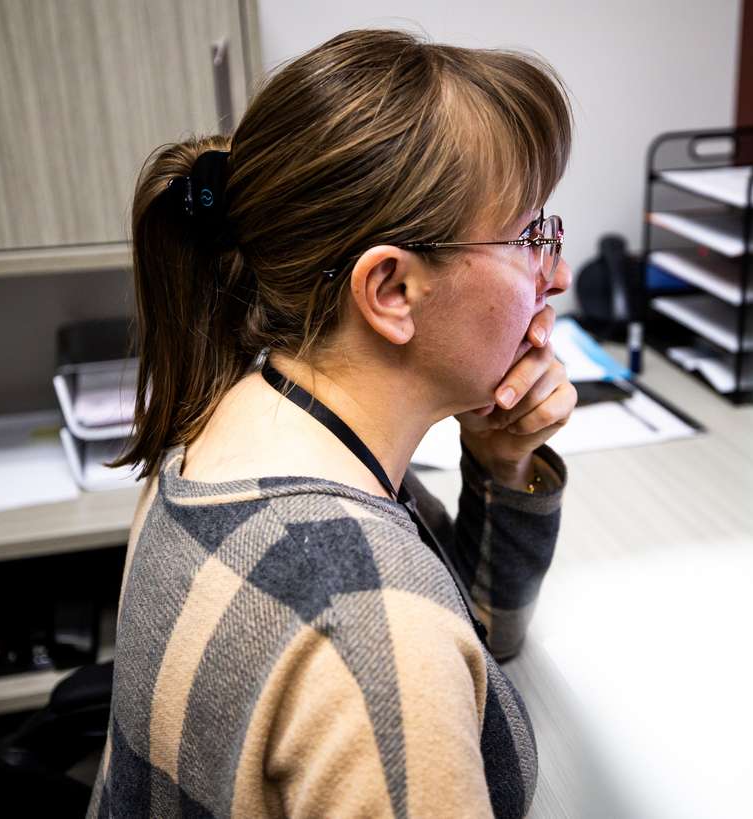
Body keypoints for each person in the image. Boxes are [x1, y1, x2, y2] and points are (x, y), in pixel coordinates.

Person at [89, 27, 575, 818]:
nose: (554, 274)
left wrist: (502, 460)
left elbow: (476, 634)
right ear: (390, 289)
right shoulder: (371, 625)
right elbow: (408, 641)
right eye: (528, 237)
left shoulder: (233, 423)